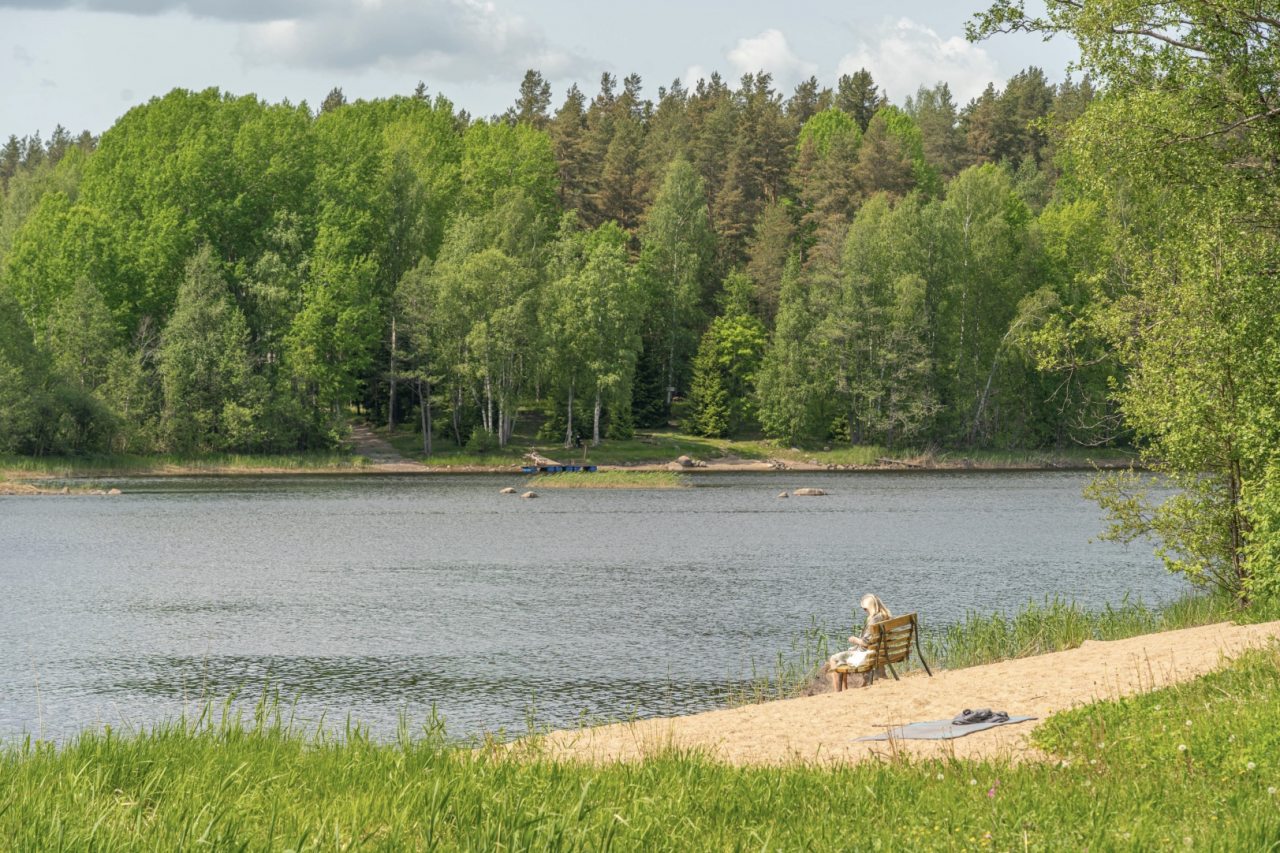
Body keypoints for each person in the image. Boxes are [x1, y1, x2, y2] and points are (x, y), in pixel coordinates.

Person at [826, 594, 892, 690]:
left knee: (833, 659)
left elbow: (866, 643)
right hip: (880, 654)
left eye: (865, 609)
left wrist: (855, 640)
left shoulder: (873, 621)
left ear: (870, 607)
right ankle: (845, 688)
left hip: (866, 656)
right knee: (846, 654)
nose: (865, 611)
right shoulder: (886, 617)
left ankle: (838, 692)